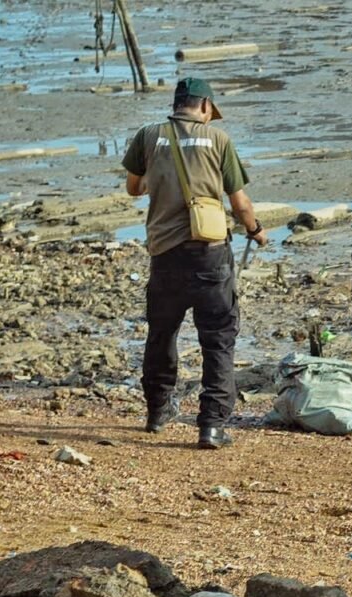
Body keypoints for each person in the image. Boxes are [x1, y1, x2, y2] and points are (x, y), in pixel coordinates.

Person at [122, 77, 268, 449]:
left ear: (177, 104)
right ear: (205, 106)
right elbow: (240, 202)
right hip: (210, 253)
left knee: (162, 334)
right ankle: (212, 426)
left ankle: (157, 411)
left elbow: (133, 187)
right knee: (218, 339)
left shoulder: (148, 135)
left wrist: (159, 182)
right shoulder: (218, 139)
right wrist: (256, 230)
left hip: (165, 255)